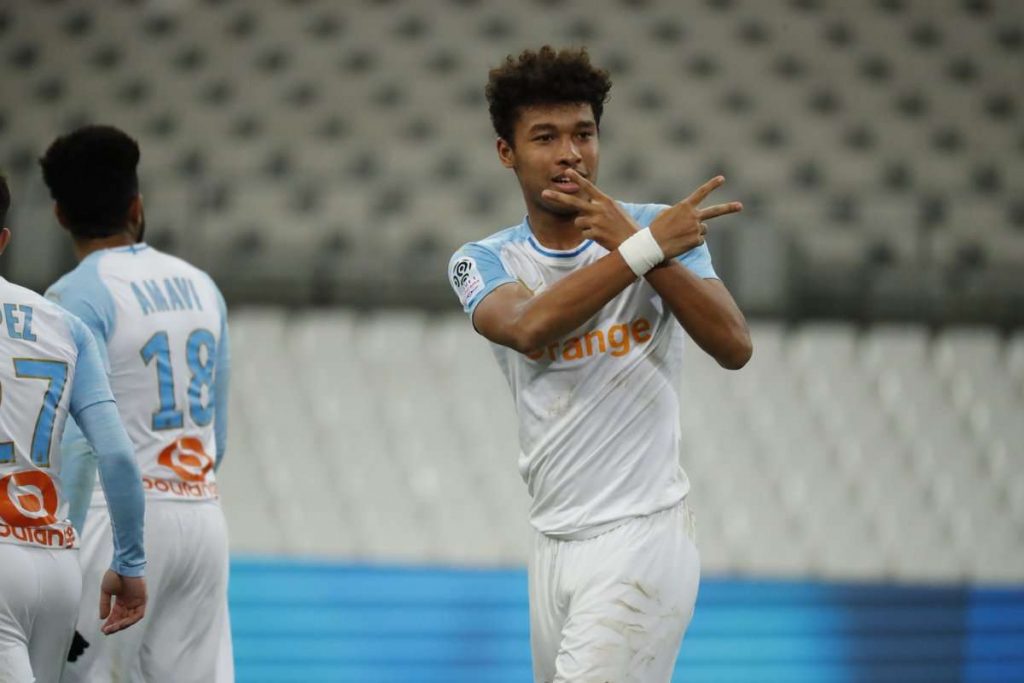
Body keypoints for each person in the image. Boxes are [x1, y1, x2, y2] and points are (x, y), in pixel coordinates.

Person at [447, 46, 753, 682]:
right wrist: (641, 251)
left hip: (642, 536)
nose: (570, 153)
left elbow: (734, 345)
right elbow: (528, 328)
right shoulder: (482, 259)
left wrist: (644, 246)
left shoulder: (655, 229)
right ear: (506, 152)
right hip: (551, 544)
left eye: (583, 133)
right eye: (545, 137)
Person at [39, 126, 233, 682]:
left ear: (60, 215)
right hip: (201, 516)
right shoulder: (202, 286)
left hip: (113, 517)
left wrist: (64, 549)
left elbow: (81, 445)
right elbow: (220, 434)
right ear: (136, 206)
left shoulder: (74, 295)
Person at [0, 173, 147, 683]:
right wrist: (130, 564)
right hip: (55, 565)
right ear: (2, 240)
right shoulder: (64, 325)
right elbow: (118, 455)